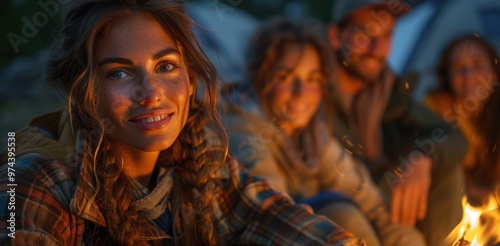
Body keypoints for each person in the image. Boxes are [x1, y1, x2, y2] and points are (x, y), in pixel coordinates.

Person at [0, 1, 365, 245]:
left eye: (166, 66)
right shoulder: (36, 183)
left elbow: (273, 216)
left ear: (191, 78)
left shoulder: (202, 162)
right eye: (119, 73)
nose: (151, 92)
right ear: (84, 92)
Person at [222, 17, 425, 246]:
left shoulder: (314, 136)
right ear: (260, 77)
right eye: (285, 77)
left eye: (313, 79)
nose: (301, 93)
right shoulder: (239, 124)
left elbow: (371, 202)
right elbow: (272, 209)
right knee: (341, 214)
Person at [326, 0, 468, 245]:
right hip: (334, 205)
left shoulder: (389, 93)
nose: (377, 48)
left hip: (382, 204)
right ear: (336, 36)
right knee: (347, 215)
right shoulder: (309, 89)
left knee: (444, 167)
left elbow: (451, 136)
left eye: (387, 35)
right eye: (365, 33)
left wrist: (423, 159)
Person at [425, 35, 500, 204]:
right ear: (447, 77)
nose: (468, 74)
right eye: (457, 67)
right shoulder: (434, 110)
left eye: (477, 65)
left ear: (494, 74)